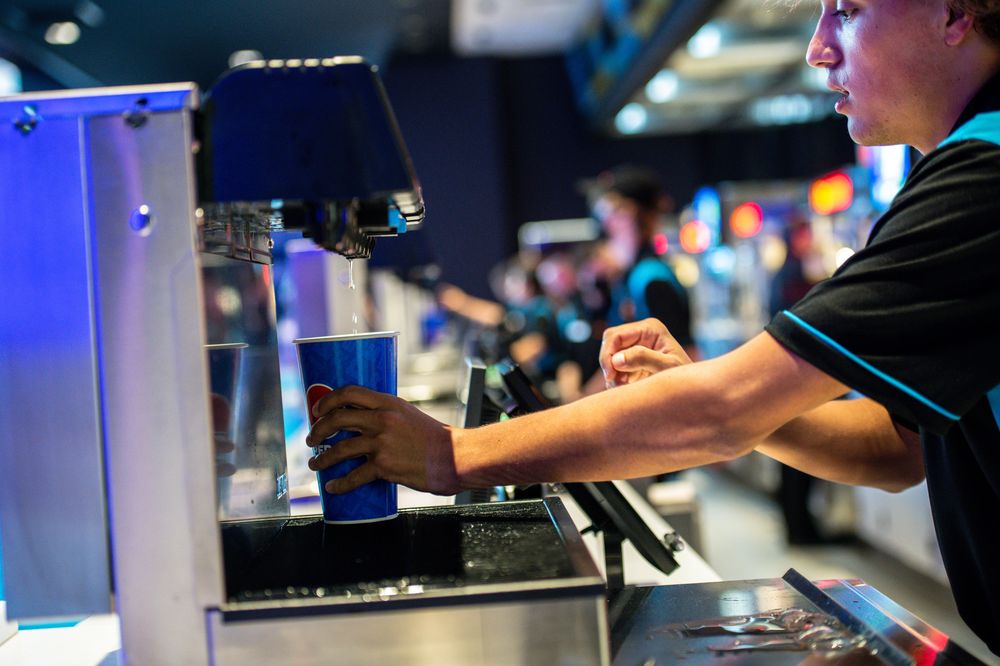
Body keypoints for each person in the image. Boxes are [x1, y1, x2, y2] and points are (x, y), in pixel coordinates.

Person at [306, 0, 1000, 653]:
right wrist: (724, 395)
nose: (819, 49)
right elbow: (895, 445)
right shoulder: (960, 168)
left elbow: (722, 412)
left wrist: (449, 456)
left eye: (848, 12)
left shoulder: (984, 172)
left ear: (954, 12)